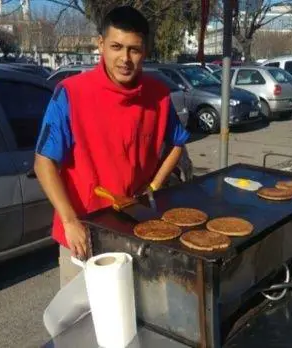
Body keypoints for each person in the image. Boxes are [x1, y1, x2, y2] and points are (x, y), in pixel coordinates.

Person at [34, 6, 190, 287]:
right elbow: (44, 162)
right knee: (83, 324)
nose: (125, 59)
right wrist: (70, 221)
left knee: (137, 320)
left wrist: (154, 185)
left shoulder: (159, 96)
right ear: (101, 44)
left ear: (146, 50)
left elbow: (178, 144)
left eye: (134, 49)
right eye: (117, 47)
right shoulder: (71, 93)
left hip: (138, 228)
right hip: (85, 234)